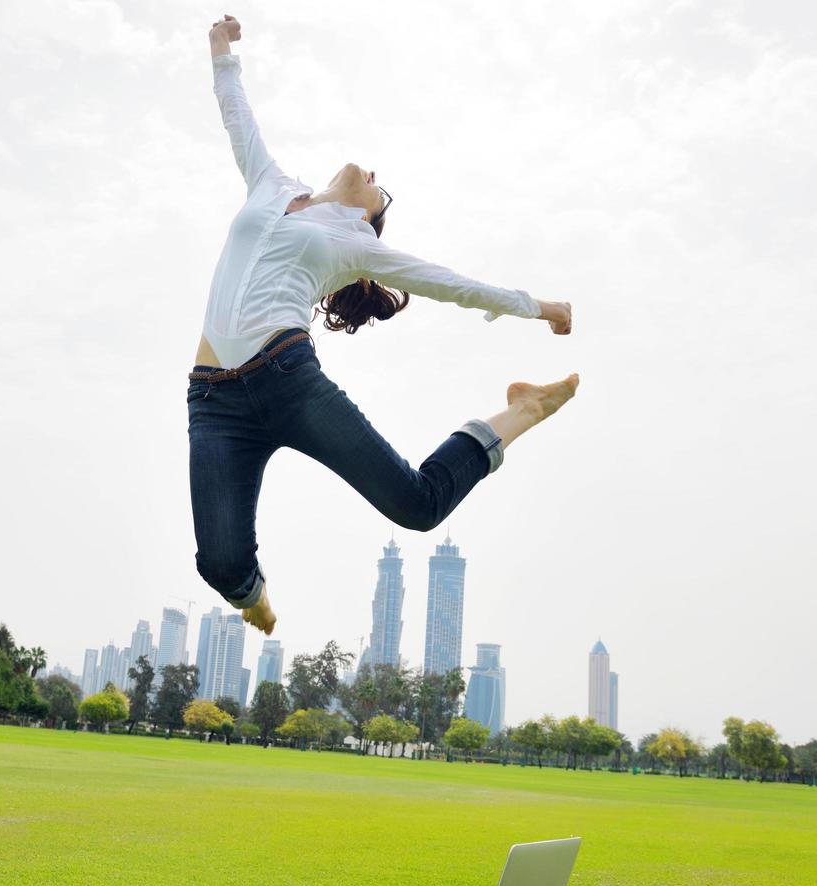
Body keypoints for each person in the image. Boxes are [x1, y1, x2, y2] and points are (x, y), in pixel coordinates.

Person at [193, 15, 579, 634]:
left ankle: (522, 411)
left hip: (289, 381)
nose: (376, 184)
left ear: (368, 221)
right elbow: (237, 113)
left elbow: (451, 283)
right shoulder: (269, 182)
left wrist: (537, 307)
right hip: (213, 399)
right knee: (220, 565)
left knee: (419, 506)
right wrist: (221, 49)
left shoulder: (353, 245)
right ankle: (253, 595)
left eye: (382, 197)